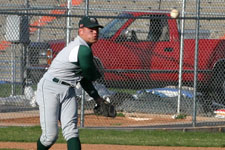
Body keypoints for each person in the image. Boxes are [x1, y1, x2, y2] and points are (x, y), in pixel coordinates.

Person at [36, 16, 104, 150]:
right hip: (50, 88)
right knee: (50, 136)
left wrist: (98, 99)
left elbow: (84, 79)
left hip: (68, 89)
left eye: (96, 29)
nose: (95, 32)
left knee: (71, 131)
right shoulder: (82, 49)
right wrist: (96, 74)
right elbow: (90, 75)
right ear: (81, 31)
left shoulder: (84, 48)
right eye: (91, 29)